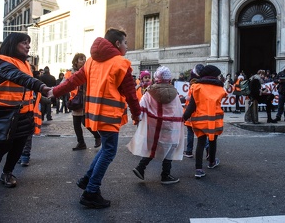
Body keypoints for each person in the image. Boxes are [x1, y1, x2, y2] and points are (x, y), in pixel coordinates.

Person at [49, 28, 141, 208]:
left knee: (106, 148)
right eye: (125, 43)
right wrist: (137, 115)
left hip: (94, 114)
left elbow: (73, 80)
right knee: (109, 151)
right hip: (109, 115)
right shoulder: (121, 63)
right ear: (117, 44)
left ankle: (87, 179)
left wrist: (54, 91)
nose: (127, 47)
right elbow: (131, 94)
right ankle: (91, 191)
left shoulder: (91, 61)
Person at [0, 32, 50, 188]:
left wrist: (44, 97)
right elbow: (17, 76)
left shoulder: (26, 64)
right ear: (12, 44)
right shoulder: (3, 61)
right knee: (3, 145)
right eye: (24, 43)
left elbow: (26, 89)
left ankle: (7, 173)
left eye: (28, 43)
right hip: (5, 113)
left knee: (18, 146)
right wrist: (41, 86)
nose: (28, 46)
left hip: (24, 114)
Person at [128, 66, 184, 184]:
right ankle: (165, 175)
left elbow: (140, 109)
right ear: (169, 79)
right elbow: (179, 111)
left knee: (153, 147)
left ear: (156, 78)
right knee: (169, 150)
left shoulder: (149, 93)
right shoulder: (175, 93)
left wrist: (137, 119)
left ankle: (140, 167)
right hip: (171, 128)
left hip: (155, 127)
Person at [183, 65, 227, 178]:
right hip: (215, 120)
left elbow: (191, 106)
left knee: (200, 143)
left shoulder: (196, 87)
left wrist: (183, 118)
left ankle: (198, 169)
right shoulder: (220, 89)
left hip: (199, 120)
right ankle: (211, 162)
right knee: (213, 142)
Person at [69, 53, 101, 151]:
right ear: (76, 61)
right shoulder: (71, 72)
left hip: (85, 100)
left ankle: (97, 136)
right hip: (75, 101)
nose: (83, 61)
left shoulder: (88, 71)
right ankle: (81, 143)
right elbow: (65, 83)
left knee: (85, 122)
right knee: (76, 124)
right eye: (81, 59)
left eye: (84, 59)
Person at [183, 64, 205, 158]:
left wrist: (184, 98)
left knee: (191, 133)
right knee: (203, 134)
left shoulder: (193, 86)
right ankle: (208, 151)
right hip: (199, 113)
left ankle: (189, 151)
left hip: (190, 113)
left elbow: (190, 99)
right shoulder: (203, 85)